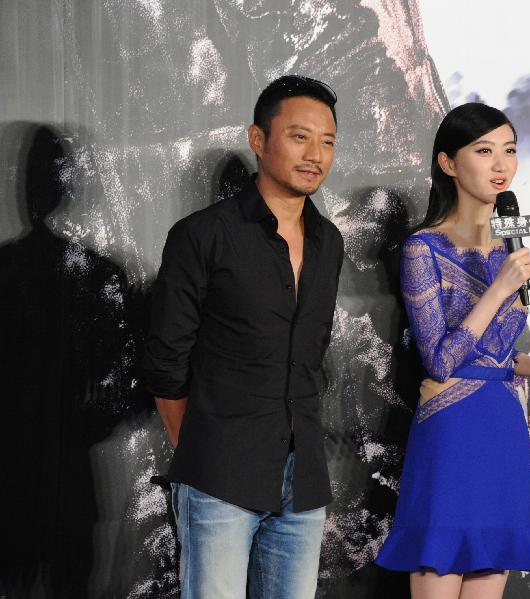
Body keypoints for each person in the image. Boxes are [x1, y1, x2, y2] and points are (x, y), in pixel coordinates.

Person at [375, 102, 530, 599]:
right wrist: (498, 289)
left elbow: (493, 352)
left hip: (502, 425)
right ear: (448, 163)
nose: (501, 165)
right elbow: (440, 358)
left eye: (510, 151)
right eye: (484, 151)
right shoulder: (423, 248)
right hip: (451, 430)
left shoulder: (509, 244)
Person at [142, 75, 344, 599]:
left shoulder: (329, 242)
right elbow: (166, 362)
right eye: (300, 136)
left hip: (303, 483)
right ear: (258, 139)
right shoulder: (202, 235)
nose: (315, 154)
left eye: (327, 141)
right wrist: (200, 453)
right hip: (219, 475)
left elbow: (313, 354)